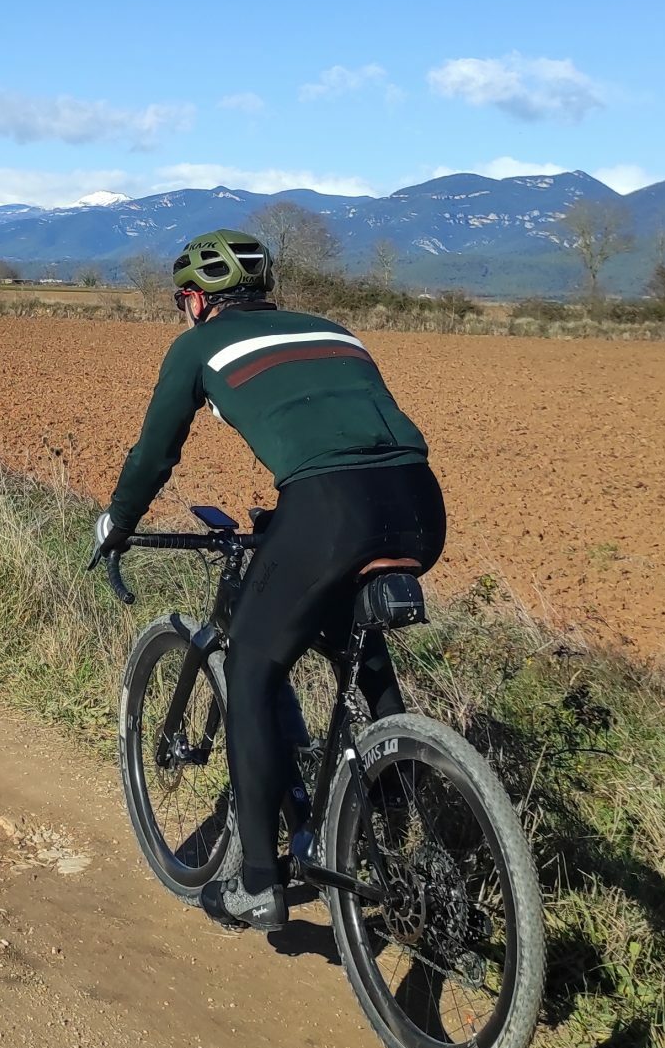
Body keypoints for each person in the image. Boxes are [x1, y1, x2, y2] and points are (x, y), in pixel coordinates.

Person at [90, 228, 444, 931]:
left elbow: (154, 452)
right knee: (353, 638)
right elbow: (343, 434)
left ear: (197, 299)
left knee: (251, 666)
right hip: (419, 504)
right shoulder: (332, 330)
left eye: (182, 300)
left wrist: (118, 524)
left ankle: (257, 880)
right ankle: (403, 815)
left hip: (330, 510)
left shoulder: (198, 346)